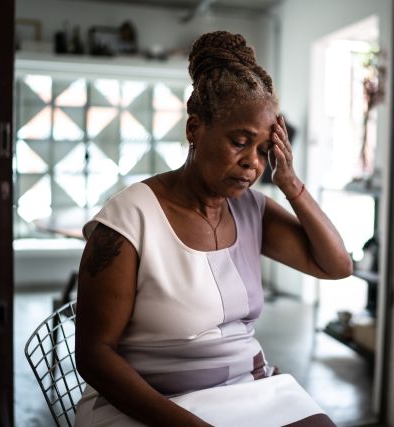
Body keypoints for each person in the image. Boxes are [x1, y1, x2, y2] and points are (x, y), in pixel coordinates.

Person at [74, 31, 352, 427]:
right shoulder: (128, 221)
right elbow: (94, 356)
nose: (252, 164)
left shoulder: (251, 209)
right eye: (240, 142)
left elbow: (336, 265)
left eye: (263, 150)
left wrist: (290, 184)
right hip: (151, 402)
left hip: (244, 389)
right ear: (194, 129)